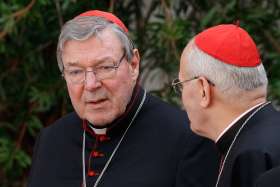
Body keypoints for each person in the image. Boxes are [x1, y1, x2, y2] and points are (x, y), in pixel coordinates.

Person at [27, 10, 220, 187]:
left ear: (133, 64)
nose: (91, 84)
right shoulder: (50, 140)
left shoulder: (189, 139)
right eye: (76, 71)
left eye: (105, 67)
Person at [173, 23, 280, 187]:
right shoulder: (267, 132)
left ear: (203, 90)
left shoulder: (251, 158)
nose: (182, 95)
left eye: (181, 85)